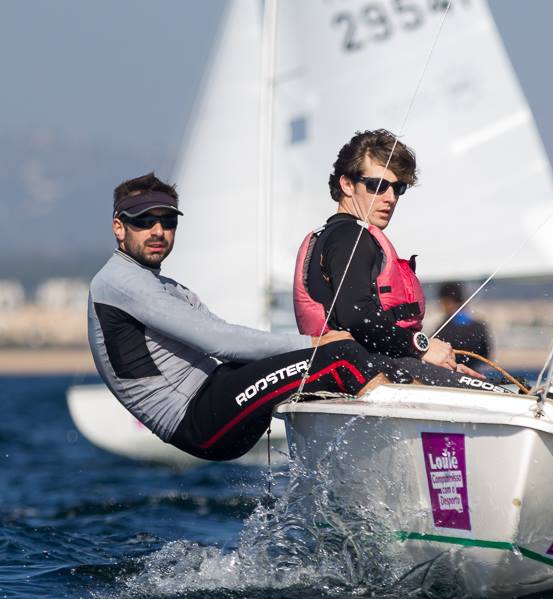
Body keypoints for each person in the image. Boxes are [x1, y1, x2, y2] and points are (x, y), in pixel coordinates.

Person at [89, 172, 388, 462]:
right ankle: (400, 437)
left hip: (215, 397)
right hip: (199, 419)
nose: (158, 231)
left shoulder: (164, 286)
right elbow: (220, 342)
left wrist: (315, 345)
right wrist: (312, 343)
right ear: (119, 227)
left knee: (345, 356)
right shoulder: (121, 282)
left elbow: (220, 332)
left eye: (167, 222)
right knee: (341, 356)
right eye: (144, 221)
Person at [293, 129, 465, 374]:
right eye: (378, 185)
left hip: (366, 369)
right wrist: (421, 348)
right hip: (360, 375)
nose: (390, 197)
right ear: (348, 184)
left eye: (398, 188)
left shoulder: (334, 235)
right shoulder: (350, 236)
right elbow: (354, 316)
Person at [434, 281, 491, 368]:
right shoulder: (479, 326)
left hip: (451, 373)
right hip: (474, 373)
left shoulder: (442, 329)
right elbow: (486, 355)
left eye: (442, 302)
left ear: (447, 301)